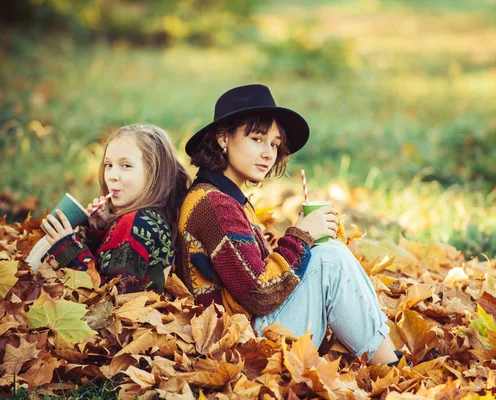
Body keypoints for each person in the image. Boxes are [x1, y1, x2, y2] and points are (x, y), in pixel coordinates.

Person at [176, 84, 400, 365]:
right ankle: (393, 367)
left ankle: (392, 361)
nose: (269, 153)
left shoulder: (225, 198)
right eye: (257, 139)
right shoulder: (214, 205)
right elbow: (258, 293)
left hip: (247, 328)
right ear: (223, 138)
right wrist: (301, 236)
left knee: (329, 254)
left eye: (274, 144)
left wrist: (303, 242)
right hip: (238, 345)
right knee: (330, 260)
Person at [40, 124, 191, 294]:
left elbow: (112, 298)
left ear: (154, 174)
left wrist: (67, 249)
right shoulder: (153, 217)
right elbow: (117, 267)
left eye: (126, 165)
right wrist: (101, 229)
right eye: (108, 165)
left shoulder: (137, 223)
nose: (112, 176)